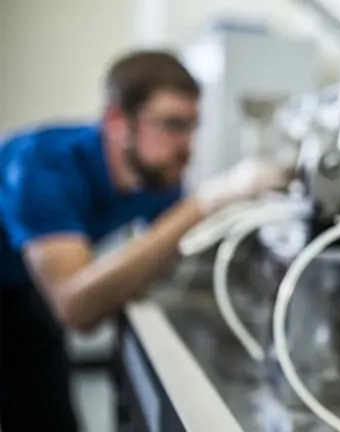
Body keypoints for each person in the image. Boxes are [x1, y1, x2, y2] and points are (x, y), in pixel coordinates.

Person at [0, 50, 291, 431]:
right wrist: (204, 201)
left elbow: (178, 243)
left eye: (192, 127)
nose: (187, 146)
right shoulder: (40, 168)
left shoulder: (154, 175)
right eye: (172, 125)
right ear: (119, 122)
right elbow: (76, 308)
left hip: (27, 288)